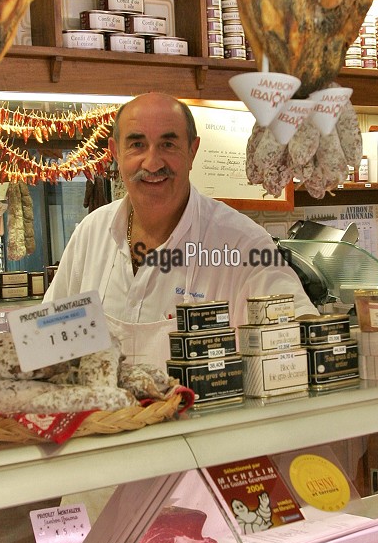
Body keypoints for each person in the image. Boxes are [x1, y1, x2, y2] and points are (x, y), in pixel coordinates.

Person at [45, 92, 316, 366]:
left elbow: (302, 336)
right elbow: (49, 341)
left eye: (168, 144)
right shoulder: (91, 233)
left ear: (192, 151)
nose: (152, 163)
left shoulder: (244, 244)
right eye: (137, 144)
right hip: (106, 409)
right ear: (115, 152)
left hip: (203, 409)